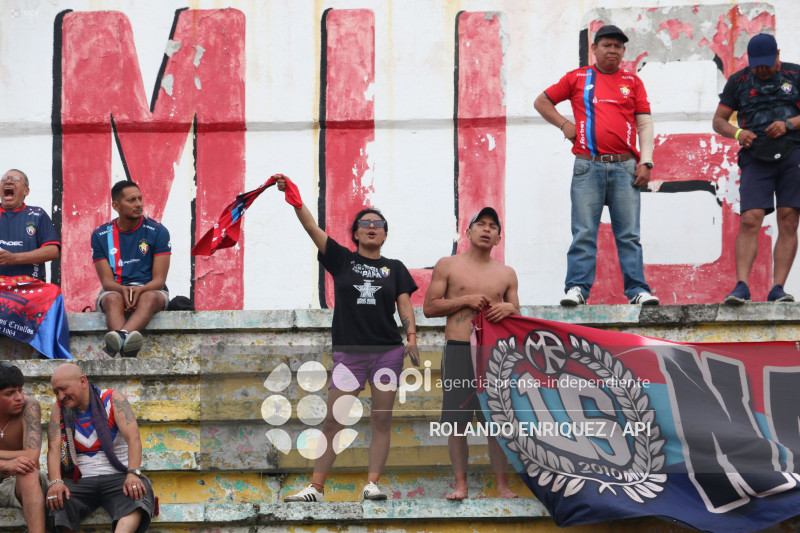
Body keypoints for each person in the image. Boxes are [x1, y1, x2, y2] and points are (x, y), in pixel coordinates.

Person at [276, 175, 419, 503]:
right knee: (333, 420)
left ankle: (372, 484)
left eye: (378, 223)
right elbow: (312, 228)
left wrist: (411, 337)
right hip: (350, 353)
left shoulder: (394, 268)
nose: (372, 226)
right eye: (365, 223)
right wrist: (295, 200)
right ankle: (316, 488)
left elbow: (405, 305)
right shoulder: (343, 259)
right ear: (355, 233)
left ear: (385, 234)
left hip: (387, 353)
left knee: (381, 418)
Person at [533, 24, 659, 306]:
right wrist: (565, 124)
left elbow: (644, 122)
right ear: (594, 49)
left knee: (629, 235)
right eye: (607, 45)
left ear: (623, 50)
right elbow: (541, 102)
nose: (613, 50)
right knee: (584, 232)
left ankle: (637, 290)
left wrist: (646, 160)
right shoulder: (578, 78)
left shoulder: (633, 82)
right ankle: (577, 289)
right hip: (587, 165)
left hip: (626, 166)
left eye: (618, 46)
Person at [423, 207, 520, 500]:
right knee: (457, 421)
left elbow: (518, 315)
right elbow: (429, 308)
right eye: (481, 224)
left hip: (494, 353)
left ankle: (503, 487)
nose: (486, 229)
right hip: (459, 350)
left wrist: (510, 309)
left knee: (496, 420)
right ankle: (461, 485)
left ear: (498, 238)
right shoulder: (448, 265)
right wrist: (464, 300)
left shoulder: (506, 273)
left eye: (492, 226)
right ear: (468, 232)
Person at [712, 33, 800, 304]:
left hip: (793, 153)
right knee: (750, 218)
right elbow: (719, 121)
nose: (761, 69)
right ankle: (741, 287)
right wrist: (738, 133)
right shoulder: (737, 81)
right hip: (755, 155)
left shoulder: (796, 74)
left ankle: (778, 289)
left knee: (788, 218)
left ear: (778, 55)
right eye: (756, 64)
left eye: (766, 63)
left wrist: (788, 124)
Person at [46, 363, 155, 532]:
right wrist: (55, 482)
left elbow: (133, 438)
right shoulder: (59, 409)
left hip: (117, 475)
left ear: (83, 381)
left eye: (64, 389)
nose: (60, 396)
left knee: (139, 492)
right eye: (56, 392)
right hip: (80, 479)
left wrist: (133, 472)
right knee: (56, 499)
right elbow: (54, 448)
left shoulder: (112, 399)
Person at [90, 181, 171, 357]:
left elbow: (159, 280)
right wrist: (123, 290)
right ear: (116, 206)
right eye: (132, 200)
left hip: (151, 290)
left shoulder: (158, 231)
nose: (139, 204)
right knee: (112, 299)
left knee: (148, 297)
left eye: (140, 199)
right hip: (116, 290)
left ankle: (120, 337)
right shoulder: (100, 235)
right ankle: (127, 350)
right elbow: (107, 282)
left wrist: (140, 290)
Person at [0, 362, 46, 533]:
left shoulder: (29, 406)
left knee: (27, 470)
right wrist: (5, 464)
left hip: (18, 483)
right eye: (10, 393)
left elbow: (31, 456)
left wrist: (12, 465)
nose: (19, 397)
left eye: (20, 389)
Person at [0, 169, 60, 280]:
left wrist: (14, 258)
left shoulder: (37, 215)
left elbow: (52, 251)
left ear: (26, 191)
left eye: (15, 179)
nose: (8, 181)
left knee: (55, 292)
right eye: (4, 179)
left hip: (30, 287)